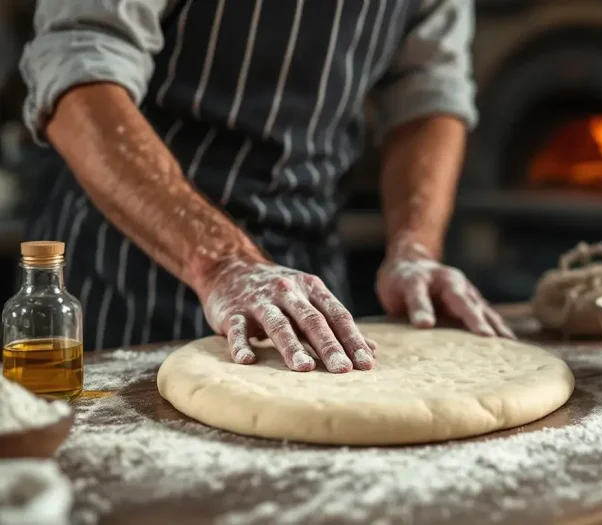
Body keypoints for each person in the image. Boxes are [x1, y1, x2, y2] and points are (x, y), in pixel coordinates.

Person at [20, 0, 514, 373]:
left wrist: (415, 246)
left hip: (307, 277)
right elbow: (79, 67)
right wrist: (221, 262)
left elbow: (427, 88)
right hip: (131, 266)